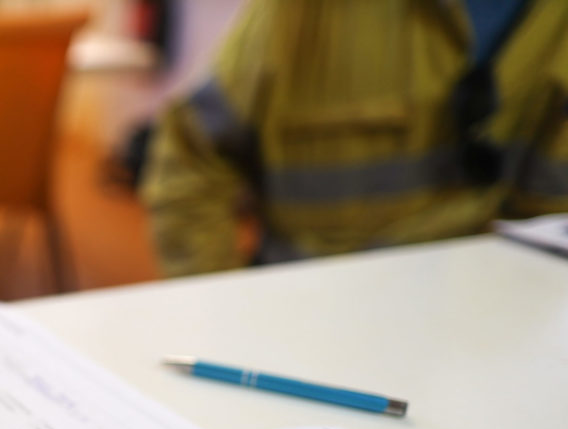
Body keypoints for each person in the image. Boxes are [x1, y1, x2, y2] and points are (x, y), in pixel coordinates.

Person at [139, 0, 568, 278]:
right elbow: (191, 156)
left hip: (505, 331)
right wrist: (219, 313)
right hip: (311, 320)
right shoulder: (301, 16)